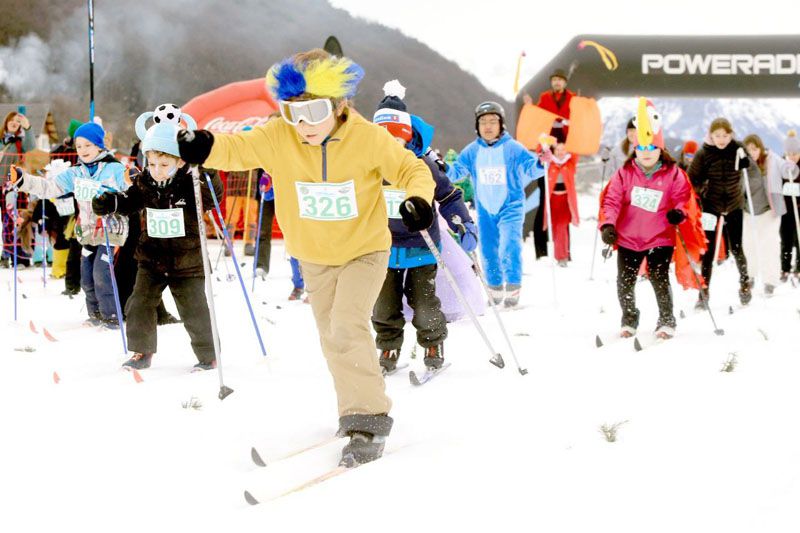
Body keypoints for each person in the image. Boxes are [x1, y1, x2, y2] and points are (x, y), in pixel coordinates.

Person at [176, 49, 435, 467]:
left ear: (339, 105)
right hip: (313, 257)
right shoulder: (280, 136)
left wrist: (418, 200)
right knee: (332, 336)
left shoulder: (367, 137)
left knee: (347, 325)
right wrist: (206, 146)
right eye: (294, 113)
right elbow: (237, 148)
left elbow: (412, 170)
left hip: (364, 251)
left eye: (315, 112)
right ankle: (353, 407)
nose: (305, 125)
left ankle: (369, 416)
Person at [92, 113, 222, 371]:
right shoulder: (145, 182)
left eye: (164, 164)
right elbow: (130, 201)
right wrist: (111, 202)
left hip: (187, 261)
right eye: (151, 164)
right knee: (139, 304)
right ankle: (142, 351)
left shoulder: (190, 182)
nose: (157, 170)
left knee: (194, 311)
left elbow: (211, 197)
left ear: (179, 161)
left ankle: (209, 354)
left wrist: (207, 170)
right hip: (152, 258)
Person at [370, 80, 476, 373]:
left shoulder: (421, 165)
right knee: (383, 305)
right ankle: (388, 346)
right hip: (382, 247)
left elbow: (449, 195)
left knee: (424, 303)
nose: (390, 145)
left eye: (396, 138)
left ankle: (432, 342)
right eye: (382, 138)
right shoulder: (367, 166)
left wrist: (463, 222)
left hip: (421, 245)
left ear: (406, 137)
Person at [9, 121, 129, 327]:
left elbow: (131, 188)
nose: (83, 150)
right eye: (79, 146)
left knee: (101, 274)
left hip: (111, 231)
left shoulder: (114, 168)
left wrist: (131, 180)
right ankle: (95, 314)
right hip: (88, 232)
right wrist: (23, 180)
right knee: (86, 277)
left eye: (88, 145)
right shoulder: (76, 173)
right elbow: (49, 187)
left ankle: (112, 316)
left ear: (99, 146)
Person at [599, 98, 698, 339]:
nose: (646, 153)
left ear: (660, 149)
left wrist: (679, 212)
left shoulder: (673, 174)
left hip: (659, 238)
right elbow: (612, 200)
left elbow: (682, 198)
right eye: (641, 148)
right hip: (628, 237)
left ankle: (666, 319)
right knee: (625, 281)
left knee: (659, 278)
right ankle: (629, 318)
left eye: (651, 148)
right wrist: (608, 224)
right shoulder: (624, 173)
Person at [448, 101, 544, 307]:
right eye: (483, 122)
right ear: (477, 126)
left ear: (501, 124)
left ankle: (513, 285)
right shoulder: (472, 151)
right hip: (485, 208)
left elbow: (532, 169)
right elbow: (455, 172)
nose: (488, 126)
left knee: (509, 245)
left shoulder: (512, 148)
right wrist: (440, 167)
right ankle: (495, 287)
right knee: (488, 249)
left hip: (510, 206)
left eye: (493, 121)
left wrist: (541, 162)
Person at [687, 117, 751, 307]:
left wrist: (746, 161)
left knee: (736, 247)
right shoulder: (703, 153)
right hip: (711, 206)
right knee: (708, 250)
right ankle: (704, 292)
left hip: (734, 204)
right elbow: (691, 179)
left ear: (731, 135)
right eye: (717, 136)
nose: (721, 139)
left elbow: (750, 167)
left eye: (725, 135)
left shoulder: (738, 149)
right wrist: (701, 188)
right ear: (711, 136)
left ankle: (745, 283)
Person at [742, 134, 797, 295]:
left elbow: (788, 171)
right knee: (749, 246)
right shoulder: (742, 164)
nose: (752, 153)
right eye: (748, 150)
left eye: (755, 149)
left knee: (770, 245)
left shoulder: (772, 160)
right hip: (748, 211)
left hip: (769, 211)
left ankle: (770, 281)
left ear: (760, 148)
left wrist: (790, 166)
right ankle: (750, 276)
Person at [1, 110, 36, 268]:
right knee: (5, 222)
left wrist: (28, 128)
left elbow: (32, 147)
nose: (14, 123)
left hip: (16, 187)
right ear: (6, 122)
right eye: (12, 120)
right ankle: (6, 254)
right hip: (1, 186)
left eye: (18, 121)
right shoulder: (1, 142)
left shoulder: (21, 142)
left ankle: (21, 257)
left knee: (18, 220)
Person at [540, 130, 579, 267]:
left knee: (562, 227)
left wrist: (568, 127)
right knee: (556, 229)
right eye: (558, 149)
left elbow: (575, 149)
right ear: (554, 150)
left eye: (563, 149)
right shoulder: (550, 162)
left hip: (565, 201)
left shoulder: (570, 163)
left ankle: (562, 257)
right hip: (553, 201)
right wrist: (544, 144)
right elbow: (541, 156)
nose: (561, 152)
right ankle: (561, 254)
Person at [524, 68, 575, 139]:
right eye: (554, 80)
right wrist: (530, 105)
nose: (557, 82)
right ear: (551, 83)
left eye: (560, 80)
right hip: (549, 133)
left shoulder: (573, 97)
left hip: (567, 134)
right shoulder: (544, 96)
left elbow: (578, 115)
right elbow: (538, 113)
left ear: (565, 83)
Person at [780, 131, 800, 281]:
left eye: (795, 153)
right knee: (786, 238)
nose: (792, 157)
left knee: (799, 238)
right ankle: (785, 267)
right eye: (789, 154)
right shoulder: (782, 165)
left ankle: (799, 267)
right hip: (786, 209)